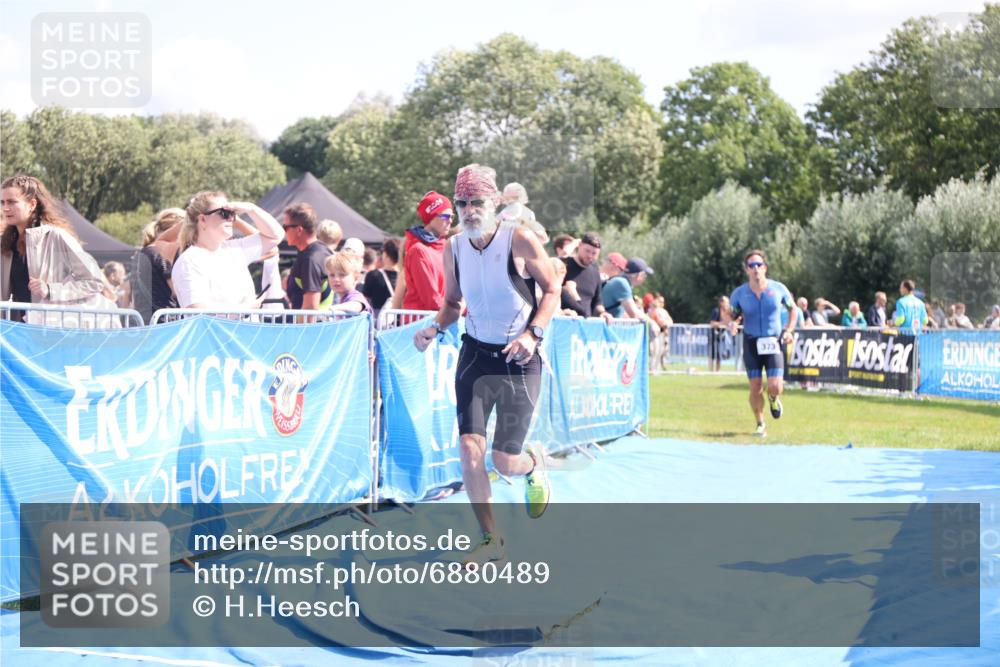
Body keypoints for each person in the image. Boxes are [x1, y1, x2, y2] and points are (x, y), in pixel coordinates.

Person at [412, 164, 559, 567]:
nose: (469, 209)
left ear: (494, 202)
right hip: (476, 354)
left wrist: (533, 335)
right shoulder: (454, 247)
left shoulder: (520, 239)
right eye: (462, 202)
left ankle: (532, 463)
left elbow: (552, 289)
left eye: (477, 201)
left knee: (503, 460)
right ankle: (491, 539)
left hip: (519, 359)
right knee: (468, 447)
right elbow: (452, 303)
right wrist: (432, 328)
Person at [1, 175, 113, 325]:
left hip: (54, 330)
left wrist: (51, 290)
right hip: (18, 333)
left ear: (32, 204)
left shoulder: (57, 236)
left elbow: (95, 281)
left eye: (12, 202)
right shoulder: (5, 244)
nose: (5, 208)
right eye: (2, 202)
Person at [723, 249, 796, 437]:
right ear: (747, 270)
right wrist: (731, 323)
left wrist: (788, 330)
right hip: (751, 342)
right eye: (751, 266)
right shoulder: (740, 293)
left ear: (765, 268)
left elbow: (793, 310)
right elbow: (731, 315)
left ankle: (773, 399)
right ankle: (760, 423)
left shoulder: (778, 288)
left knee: (775, 386)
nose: (755, 269)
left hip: (774, 342)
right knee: (755, 387)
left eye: (759, 265)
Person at [171, 191, 284, 309]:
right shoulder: (189, 261)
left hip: (245, 327)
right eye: (224, 213)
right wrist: (244, 309)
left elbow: (275, 236)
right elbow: (196, 309)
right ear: (203, 219)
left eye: (232, 213)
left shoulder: (235, 249)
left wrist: (251, 208)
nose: (231, 218)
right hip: (215, 328)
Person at [132, 208, 183, 323]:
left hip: (143, 320)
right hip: (164, 322)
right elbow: (178, 291)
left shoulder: (141, 253)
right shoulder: (161, 253)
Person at [403, 191, 452, 312]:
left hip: (444, 320)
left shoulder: (447, 248)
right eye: (445, 216)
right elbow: (432, 301)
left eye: (452, 217)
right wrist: (456, 311)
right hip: (422, 325)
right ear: (431, 217)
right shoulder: (418, 251)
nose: (450, 221)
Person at [283, 203, 332, 313]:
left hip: (309, 328)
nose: (284, 232)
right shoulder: (321, 250)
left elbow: (310, 309)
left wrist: (299, 330)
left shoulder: (310, 259)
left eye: (285, 227)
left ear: (299, 230)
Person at [560, 232, 613, 320]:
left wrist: (603, 313)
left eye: (594, 253)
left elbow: (598, 302)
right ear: (580, 246)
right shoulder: (564, 265)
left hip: (586, 323)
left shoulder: (595, 271)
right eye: (587, 251)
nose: (590, 256)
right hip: (565, 321)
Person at [601, 257, 660, 332]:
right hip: (601, 331)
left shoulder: (620, 281)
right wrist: (652, 323)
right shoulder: (622, 283)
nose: (645, 278)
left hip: (603, 329)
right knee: (652, 329)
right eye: (645, 275)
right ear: (639, 275)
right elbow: (634, 313)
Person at [362, 237, 399, 317]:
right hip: (401, 320)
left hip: (378, 321)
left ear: (385, 254)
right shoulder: (405, 277)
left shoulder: (373, 275)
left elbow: (366, 300)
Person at [709, 295, 731, 372]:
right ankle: (712, 371)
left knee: (719, 355)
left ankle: (717, 371)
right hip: (714, 336)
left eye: (728, 302)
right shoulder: (716, 311)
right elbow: (712, 323)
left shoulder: (728, 313)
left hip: (722, 336)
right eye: (726, 302)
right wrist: (723, 323)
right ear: (721, 303)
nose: (728, 304)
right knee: (713, 355)